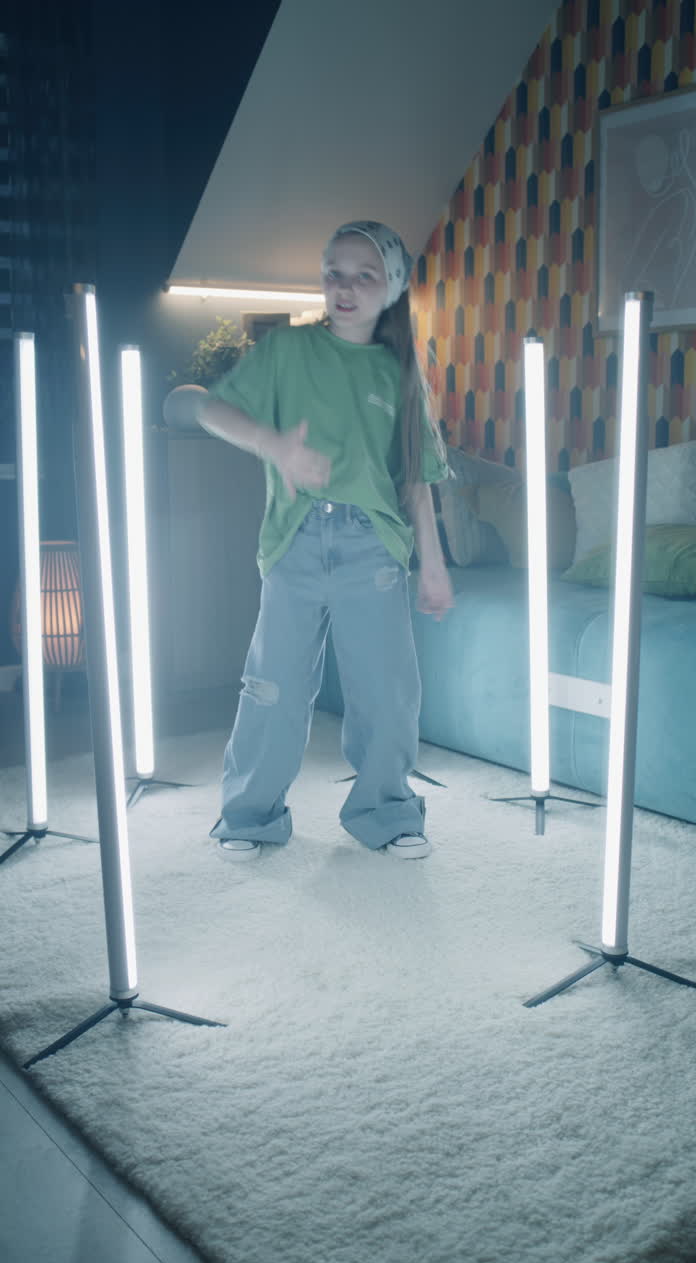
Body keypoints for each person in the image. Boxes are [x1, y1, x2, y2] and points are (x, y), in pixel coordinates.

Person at [196, 219, 454, 863]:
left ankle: (387, 814)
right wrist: (274, 445)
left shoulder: (399, 373)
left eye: (364, 274)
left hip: (373, 550)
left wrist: (434, 567)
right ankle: (250, 817)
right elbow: (211, 409)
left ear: (390, 287)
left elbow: (418, 480)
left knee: (387, 693)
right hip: (296, 543)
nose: (345, 286)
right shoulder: (287, 351)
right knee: (272, 688)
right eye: (334, 271)